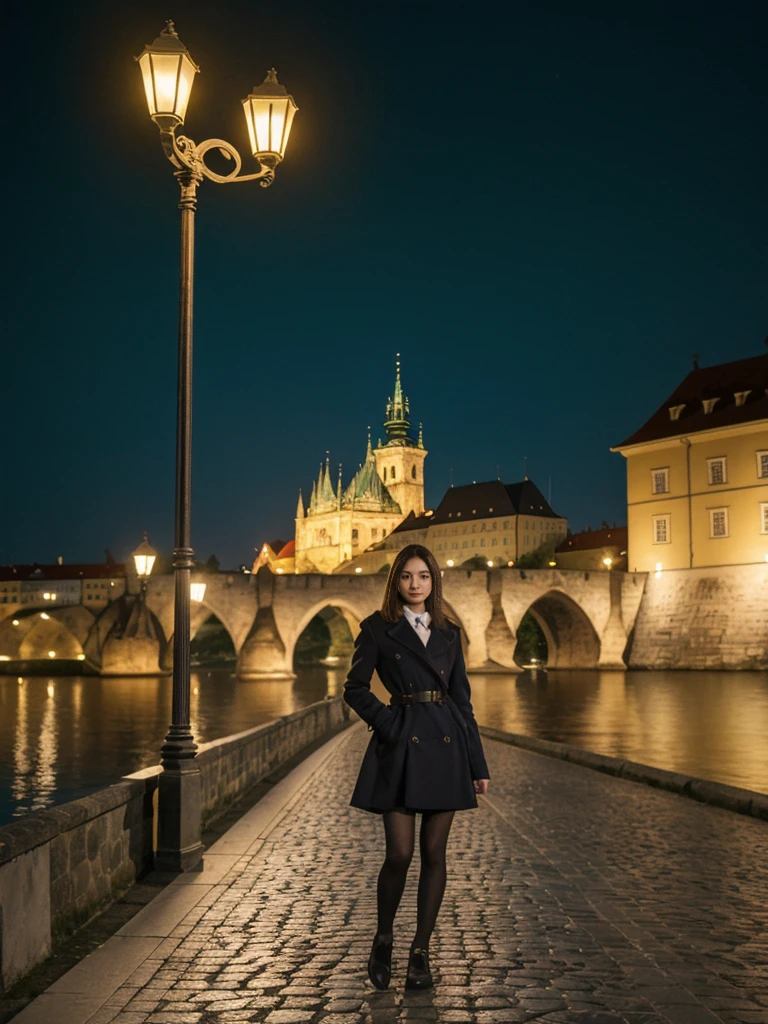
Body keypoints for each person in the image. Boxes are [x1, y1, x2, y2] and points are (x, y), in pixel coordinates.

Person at [343, 543, 490, 991]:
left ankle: (420, 952)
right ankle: (384, 936)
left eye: (423, 576)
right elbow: (354, 688)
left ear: (433, 581)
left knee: (434, 856)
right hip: (402, 746)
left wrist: (476, 762)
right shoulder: (376, 629)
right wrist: (389, 723)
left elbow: (463, 702)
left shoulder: (450, 631)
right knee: (400, 854)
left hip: (446, 747)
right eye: (407, 577)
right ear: (396, 581)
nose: (415, 585)